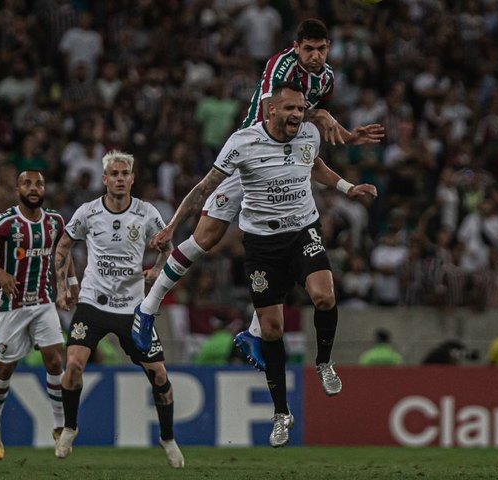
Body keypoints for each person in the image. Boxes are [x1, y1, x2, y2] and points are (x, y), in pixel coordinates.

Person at [131, 18, 384, 371]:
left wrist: (342, 139)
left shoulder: (325, 78)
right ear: (296, 47)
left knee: (285, 239)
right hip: (253, 155)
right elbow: (274, 110)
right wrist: (321, 114)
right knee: (205, 238)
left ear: (328, 48)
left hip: (286, 162)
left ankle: (252, 333)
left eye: (321, 48)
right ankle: (147, 310)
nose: (314, 55)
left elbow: (304, 129)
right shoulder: (280, 65)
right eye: (308, 48)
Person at [143, 82, 376, 448]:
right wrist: (172, 226)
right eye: (291, 110)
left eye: (301, 110)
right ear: (270, 111)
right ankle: (281, 413)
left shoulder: (309, 135)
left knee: (324, 296)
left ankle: (324, 363)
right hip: (263, 245)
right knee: (271, 330)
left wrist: (349, 188)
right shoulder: (242, 143)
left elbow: (316, 167)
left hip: (302, 231)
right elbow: (204, 188)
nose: (298, 117)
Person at [52, 150, 184, 467]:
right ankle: (70, 427)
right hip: (93, 302)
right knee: (73, 366)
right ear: (105, 179)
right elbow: (63, 245)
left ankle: (167, 438)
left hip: (133, 308)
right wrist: (62, 286)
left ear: (132, 178)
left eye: (125, 173)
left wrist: (158, 271)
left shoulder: (147, 212)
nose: (120, 178)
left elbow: (169, 247)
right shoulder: (87, 212)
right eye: (114, 174)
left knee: (160, 375)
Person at [0, 170, 77, 460]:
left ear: (44, 188)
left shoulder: (55, 221)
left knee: (55, 360)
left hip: (43, 302)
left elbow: (63, 252)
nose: (33, 188)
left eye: (39, 183)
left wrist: (70, 284)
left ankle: (58, 427)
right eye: (27, 183)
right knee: (5, 368)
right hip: (11, 306)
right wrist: (0, 272)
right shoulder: (6, 222)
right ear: (17, 189)